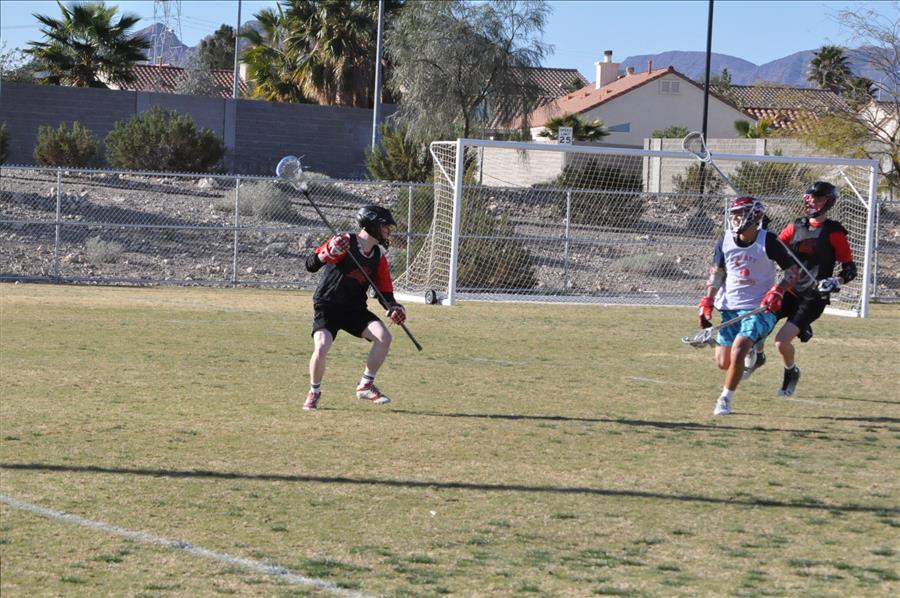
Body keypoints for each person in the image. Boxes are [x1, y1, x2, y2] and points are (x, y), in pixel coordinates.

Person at [697, 196, 799, 416]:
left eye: (740, 214)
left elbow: (792, 272)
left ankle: (724, 400)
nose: (735, 219)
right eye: (733, 214)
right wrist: (708, 300)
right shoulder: (724, 241)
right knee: (723, 363)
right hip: (729, 306)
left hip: (759, 307)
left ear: (754, 217)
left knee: (739, 350)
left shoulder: (768, 241)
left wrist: (778, 290)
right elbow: (718, 274)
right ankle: (756, 351)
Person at [303, 204, 407, 411]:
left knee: (384, 337)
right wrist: (329, 252)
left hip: (354, 309)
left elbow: (384, 291)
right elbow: (311, 264)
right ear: (372, 224)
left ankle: (365, 385)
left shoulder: (378, 256)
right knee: (321, 347)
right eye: (385, 226)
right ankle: (314, 391)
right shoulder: (344, 241)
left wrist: (394, 307)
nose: (388, 231)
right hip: (328, 306)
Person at [772, 181, 857, 397]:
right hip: (790, 290)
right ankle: (757, 356)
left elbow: (849, 270)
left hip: (813, 297)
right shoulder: (795, 226)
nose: (812, 202)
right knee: (758, 325)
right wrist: (763, 234)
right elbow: (774, 248)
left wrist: (835, 281)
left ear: (828, 202)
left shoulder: (834, 232)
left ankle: (791, 372)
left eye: (818, 198)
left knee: (781, 342)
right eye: (810, 198)